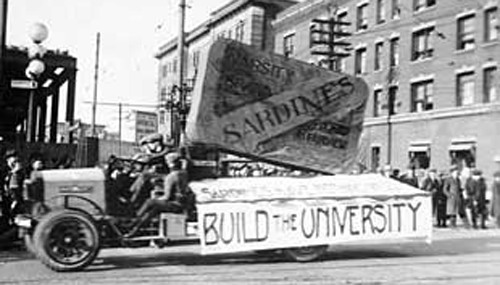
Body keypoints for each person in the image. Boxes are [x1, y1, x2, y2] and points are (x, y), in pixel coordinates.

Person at [125, 152, 190, 237]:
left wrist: (156, 199)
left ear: (170, 164)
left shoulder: (171, 177)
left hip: (175, 205)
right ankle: (134, 230)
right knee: (153, 211)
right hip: (183, 204)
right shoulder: (184, 173)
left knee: (149, 202)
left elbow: (167, 197)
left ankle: (133, 221)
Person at [129, 133, 172, 206]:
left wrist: (145, 155)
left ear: (157, 143)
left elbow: (152, 158)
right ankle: (133, 197)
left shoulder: (166, 151)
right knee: (139, 175)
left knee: (144, 175)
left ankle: (131, 199)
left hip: (167, 175)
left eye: (150, 143)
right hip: (158, 174)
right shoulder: (156, 152)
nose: (149, 146)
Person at [1, 150, 25, 225]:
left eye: (15, 158)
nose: (15, 160)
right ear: (7, 160)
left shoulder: (20, 170)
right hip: (6, 196)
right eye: (12, 158)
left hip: (17, 195)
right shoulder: (4, 170)